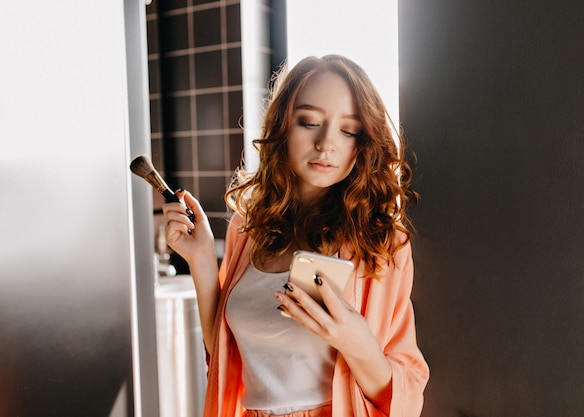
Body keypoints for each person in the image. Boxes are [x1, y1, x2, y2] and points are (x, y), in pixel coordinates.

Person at [162, 54, 429, 417]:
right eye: (309, 122)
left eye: (348, 130)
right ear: (283, 126)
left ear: (363, 142)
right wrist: (202, 261)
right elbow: (224, 356)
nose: (326, 143)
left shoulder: (381, 245)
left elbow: (406, 397)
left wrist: (355, 341)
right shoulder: (249, 229)